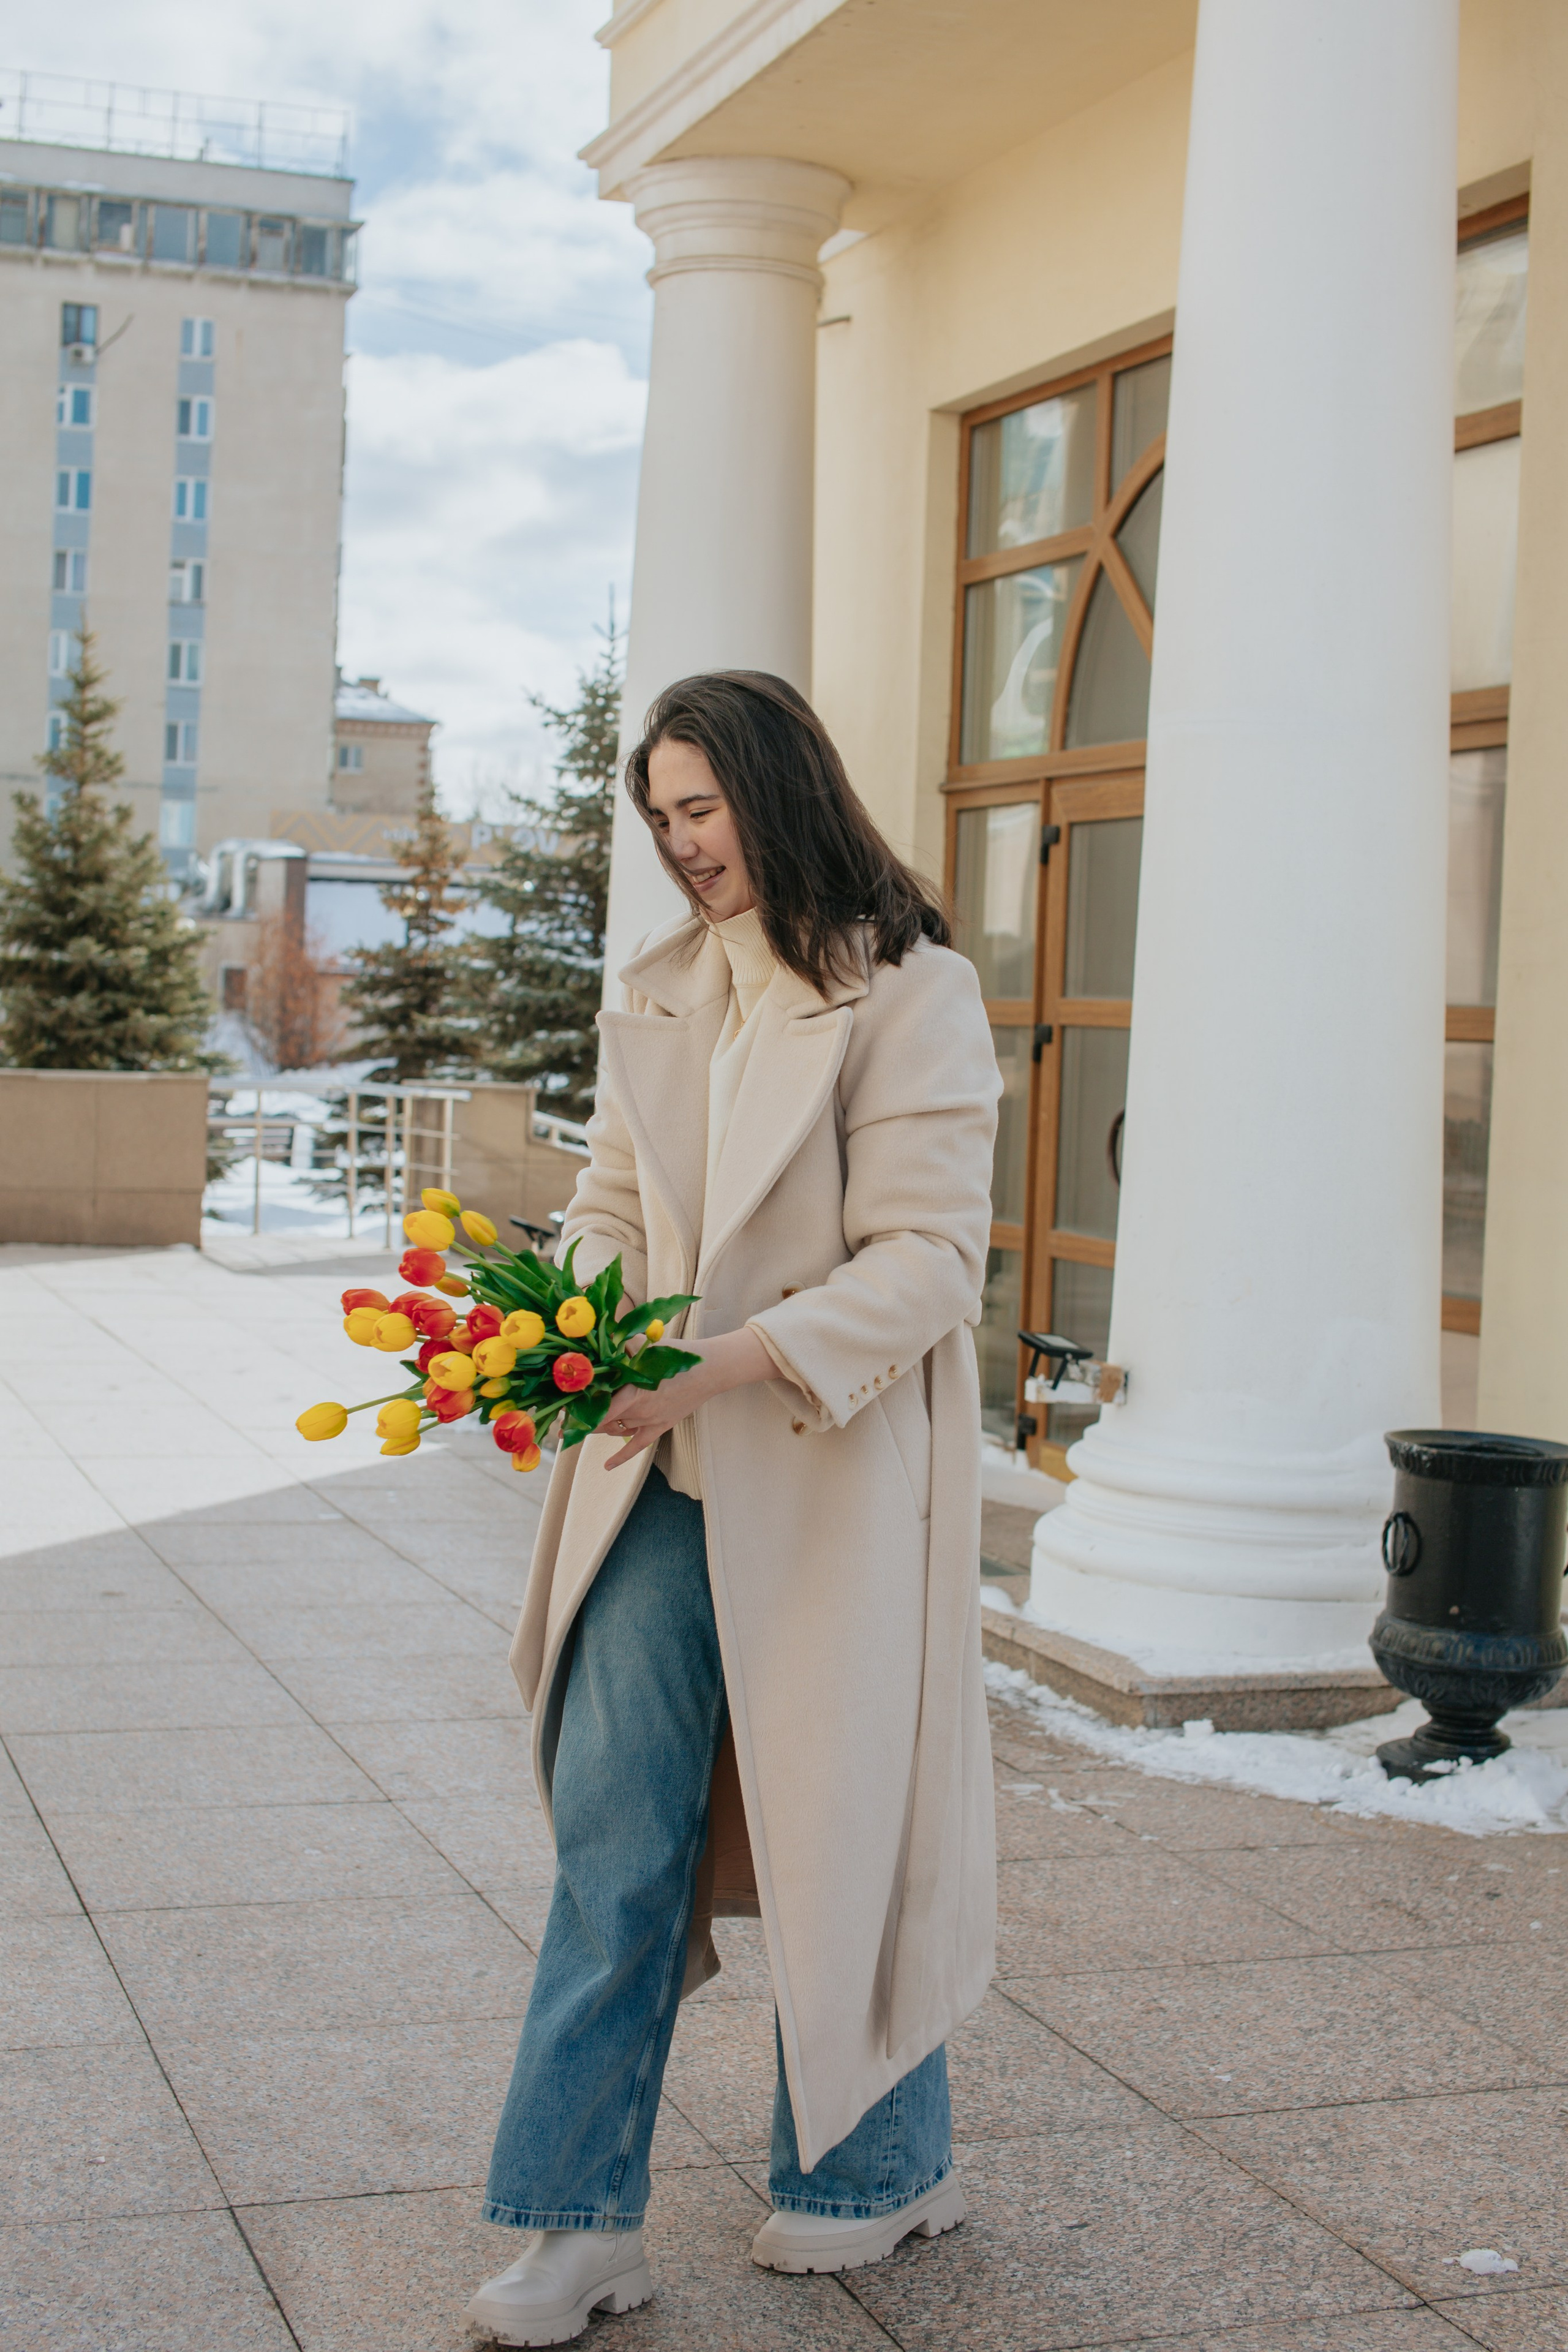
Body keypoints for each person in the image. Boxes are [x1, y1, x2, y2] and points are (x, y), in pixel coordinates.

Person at [466, 671, 1001, 2347]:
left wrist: (714, 1365)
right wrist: (571, 1320)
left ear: (779, 792)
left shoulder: (913, 991)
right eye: (662, 816)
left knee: (851, 1834)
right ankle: (571, 2228)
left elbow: (930, 1261)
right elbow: (611, 1198)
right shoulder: (670, 989)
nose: (683, 841)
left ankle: (875, 2171)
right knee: (612, 1844)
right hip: (655, 1481)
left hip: (825, 1477)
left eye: (703, 807)